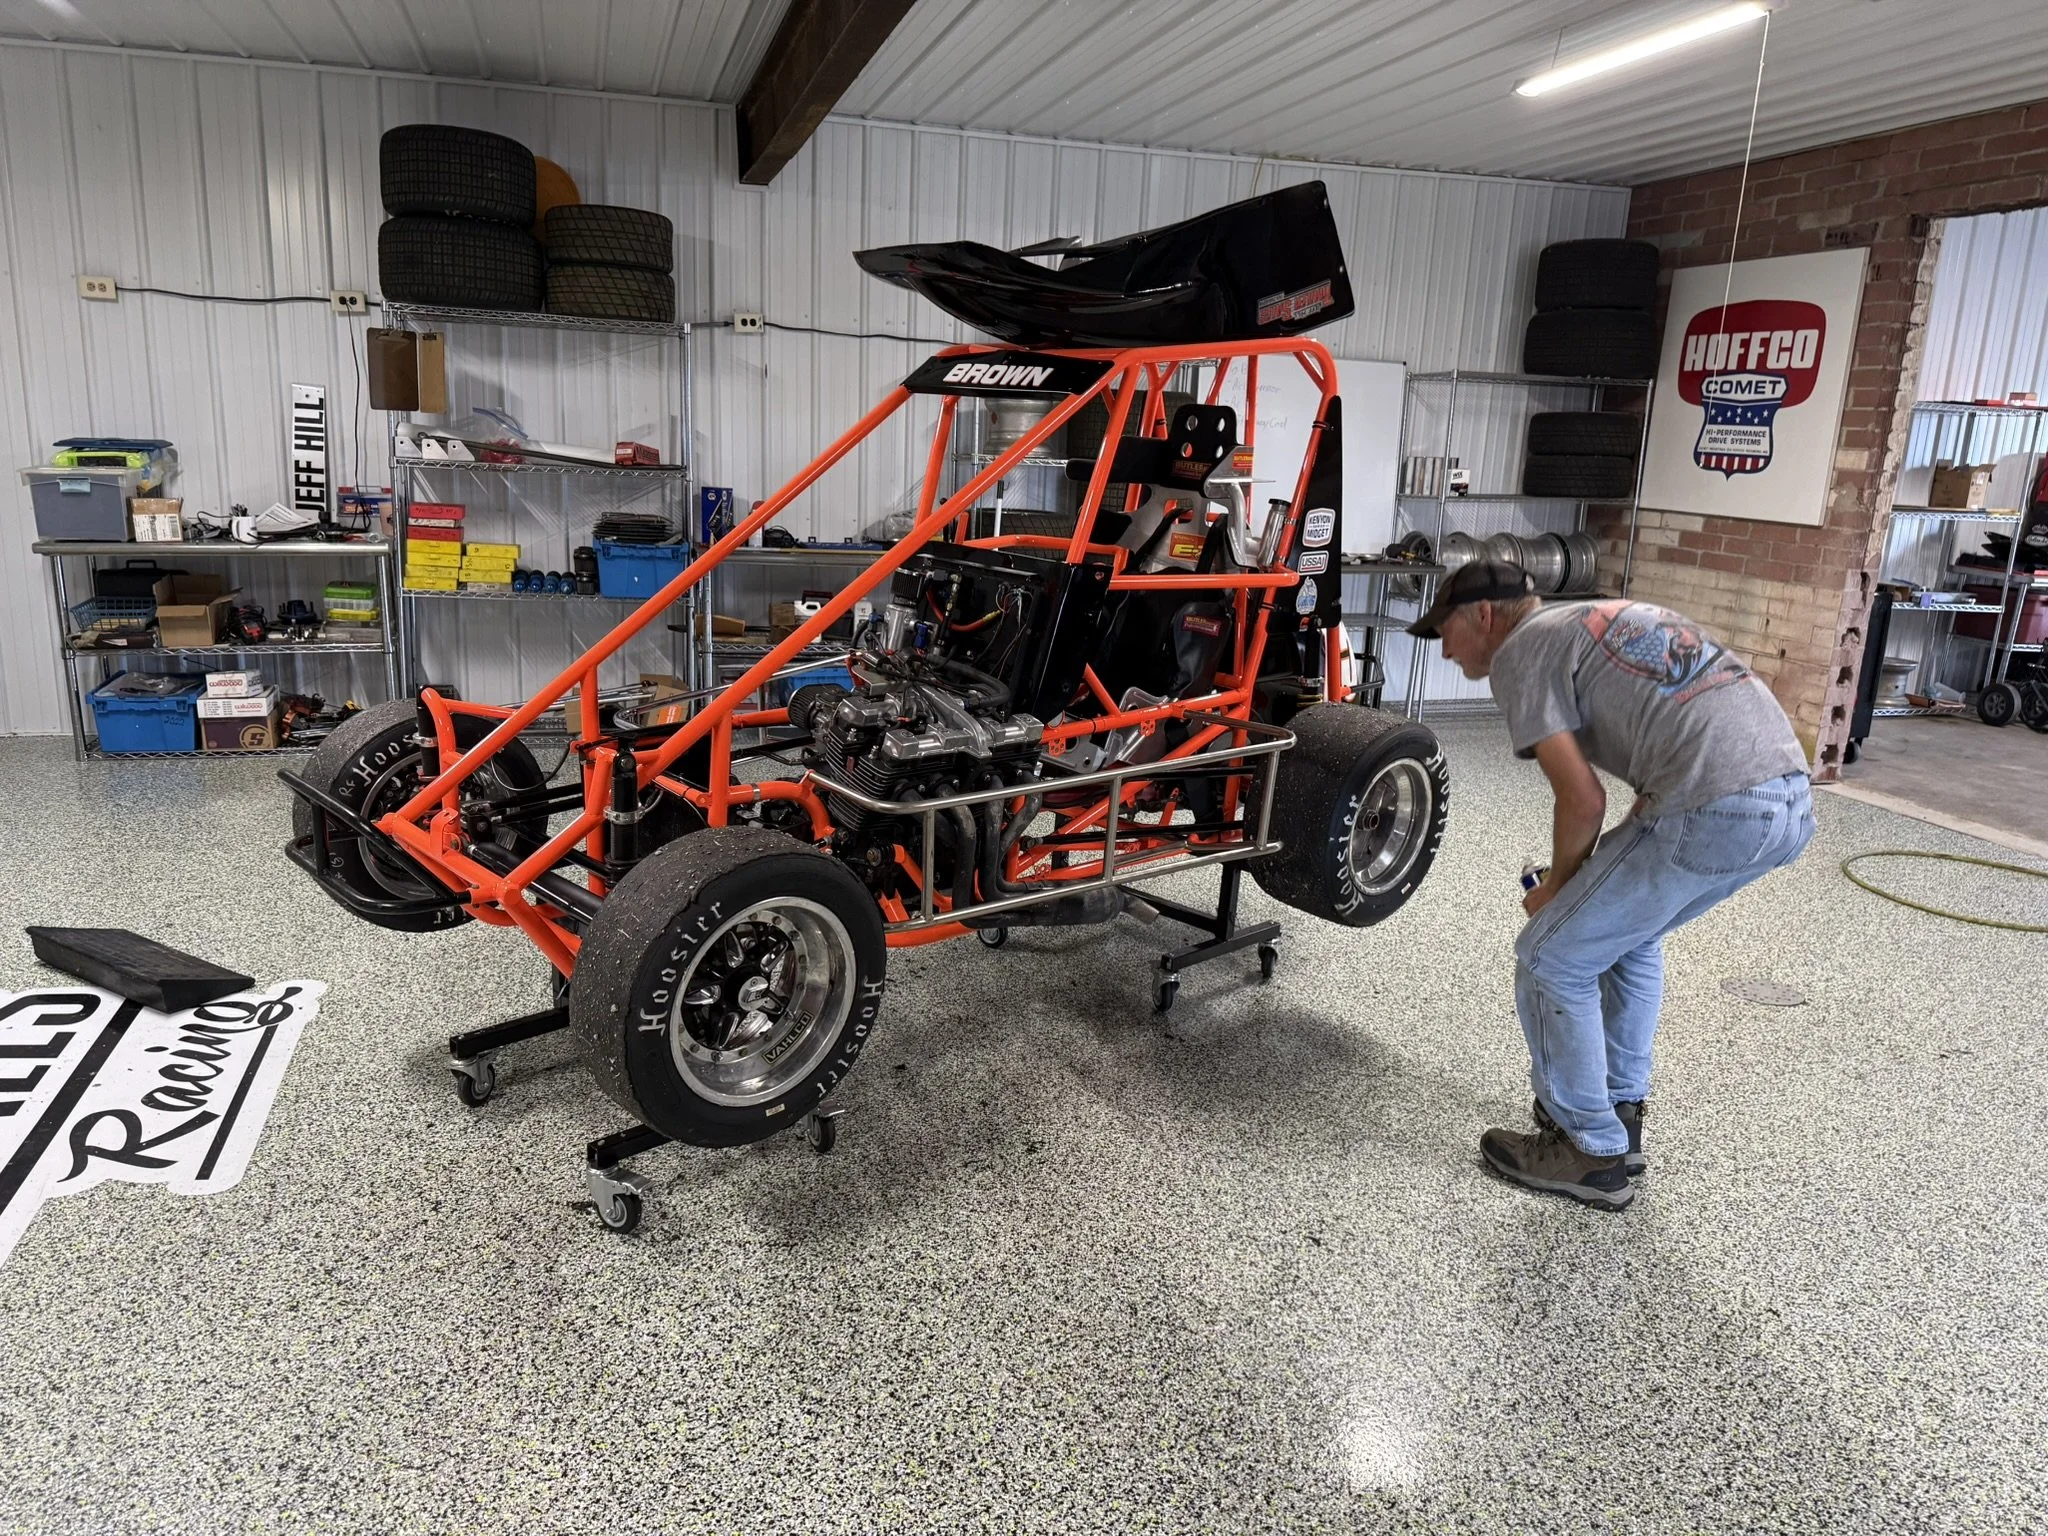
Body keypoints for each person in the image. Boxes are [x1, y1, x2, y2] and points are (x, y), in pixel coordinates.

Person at [1408, 561, 1814, 1210]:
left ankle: (1587, 1149)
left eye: (1446, 630)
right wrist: (1588, 878)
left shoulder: (1523, 650)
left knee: (1550, 953)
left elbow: (1583, 798)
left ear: (1486, 616)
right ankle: (1621, 1122)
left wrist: (1560, 889)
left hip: (1717, 805)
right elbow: (1655, 776)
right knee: (1628, 939)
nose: (1445, 648)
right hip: (1787, 799)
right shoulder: (1596, 619)